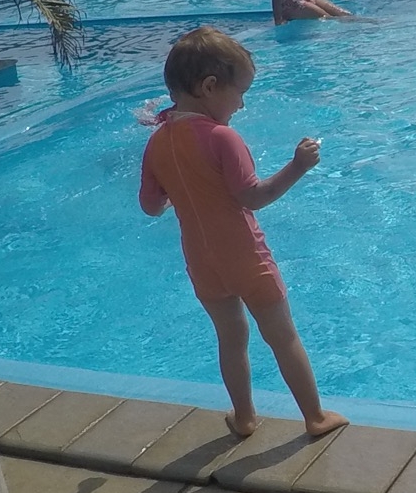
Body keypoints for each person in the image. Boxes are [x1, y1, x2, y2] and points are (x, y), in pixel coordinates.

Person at [139, 25, 349, 442]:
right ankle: (315, 417)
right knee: (282, 337)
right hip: (246, 260)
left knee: (231, 340)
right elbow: (254, 196)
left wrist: (179, 193)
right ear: (209, 86)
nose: (242, 104)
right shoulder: (222, 137)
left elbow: (150, 205)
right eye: (240, 93)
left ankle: (245, 417)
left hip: (202, 264)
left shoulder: (156, 143)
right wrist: (298, 166)